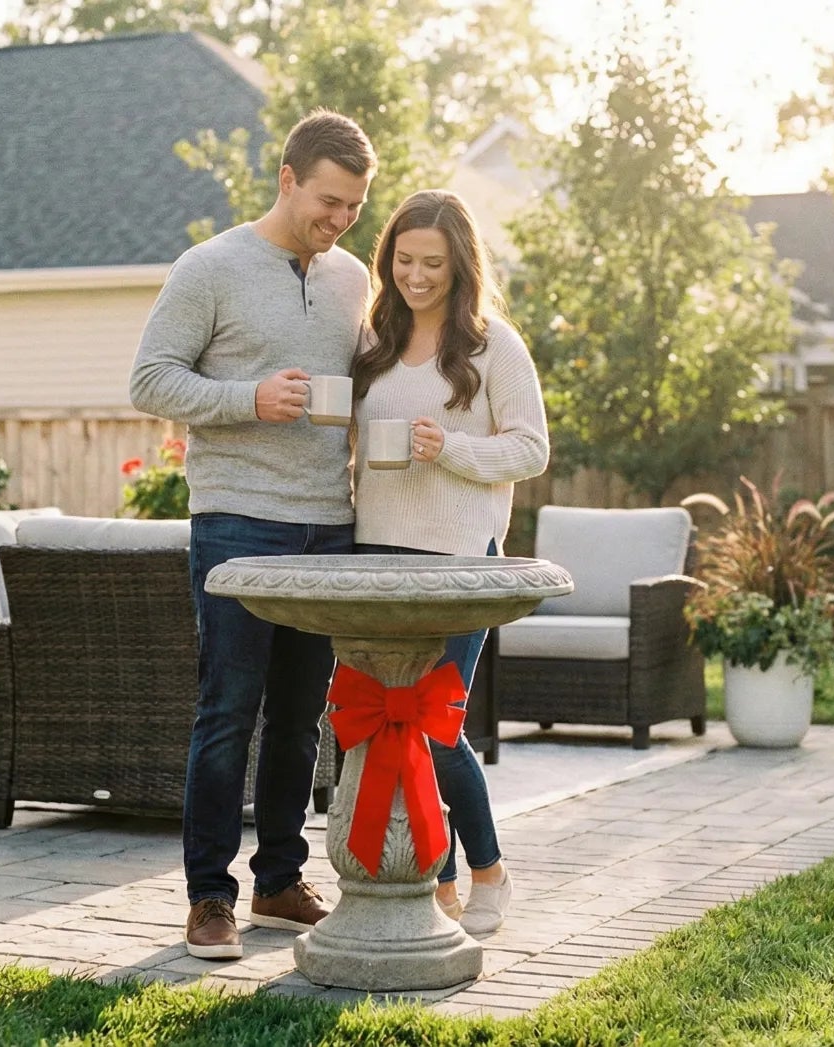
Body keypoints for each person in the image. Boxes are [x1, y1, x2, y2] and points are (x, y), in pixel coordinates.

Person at [128, 110, 377, 961]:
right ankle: (208, 896)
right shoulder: (211, 268)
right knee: (228, 710)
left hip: (328, 523)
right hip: (236, 519)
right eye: (328, 200)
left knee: (305, 716)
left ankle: (278, 878)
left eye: (352, 207)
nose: (338, 220)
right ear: (287, 177)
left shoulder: (351, 281)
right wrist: (248, 399)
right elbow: (150, 379)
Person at [349, 189, 549, 935]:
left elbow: (531, 448)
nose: (417, 275)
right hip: (375, 551)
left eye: (433, 262)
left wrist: (453, 449)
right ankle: (431, 883)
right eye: (403, 259)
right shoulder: (372, 340)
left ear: (460, 264)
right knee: (381, 726)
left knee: (434, 727)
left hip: (460, 558)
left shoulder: (495, 343)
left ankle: (487, 869)